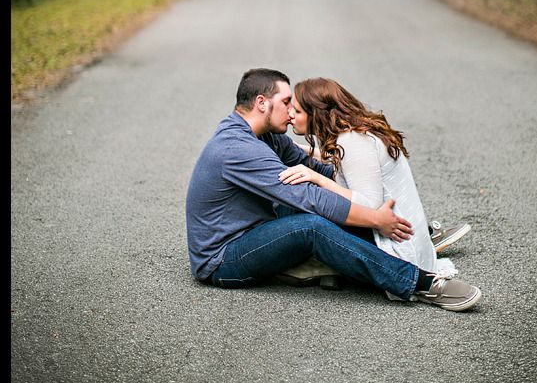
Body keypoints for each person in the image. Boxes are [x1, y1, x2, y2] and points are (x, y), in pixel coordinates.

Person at [186, 68, 482, 311]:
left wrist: (355, 179)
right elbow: (309, 198)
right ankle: (419, 283)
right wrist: (374, 219)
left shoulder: (265, 136)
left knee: (318, 205)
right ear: (262, 103)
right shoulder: (237, 148)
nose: (291, 111)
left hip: (259, 227)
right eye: (287, 101)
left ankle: (403, 236)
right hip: (223, 258)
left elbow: (313, 167)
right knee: (310, 226)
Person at [282, 77, 472, 288]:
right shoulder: (352, 135)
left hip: (397, 248)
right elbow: (345, 164)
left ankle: (324, 266)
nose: (290, 114)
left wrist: (317, 178)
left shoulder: (352, 141)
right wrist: (301, 149)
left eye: (297, 111)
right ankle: (328, 267)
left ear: (318, 114)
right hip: (403, 237)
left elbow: (370, 207)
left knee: (309, 207)